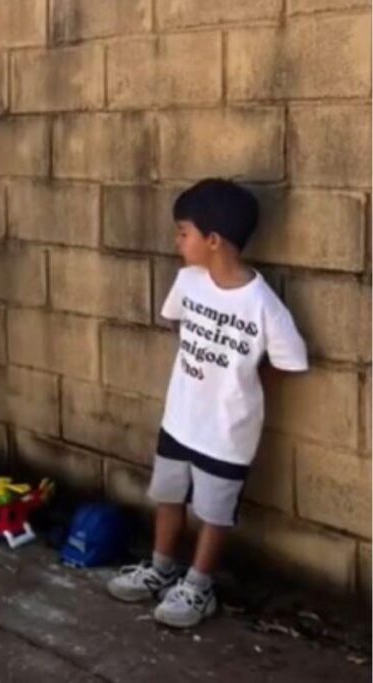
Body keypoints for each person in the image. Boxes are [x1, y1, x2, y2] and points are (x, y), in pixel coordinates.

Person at [106, 179, 308, 627]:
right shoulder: (188, 282)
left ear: (212, 240)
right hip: (180, 420)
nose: (177, 242)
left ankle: (198, 586)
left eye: (183, 233)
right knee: (169, 497)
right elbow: (176, 322)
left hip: (226, 434)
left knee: (214, 514)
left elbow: (291, 360)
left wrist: (245, 385)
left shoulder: (262, 304)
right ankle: (161, 568)